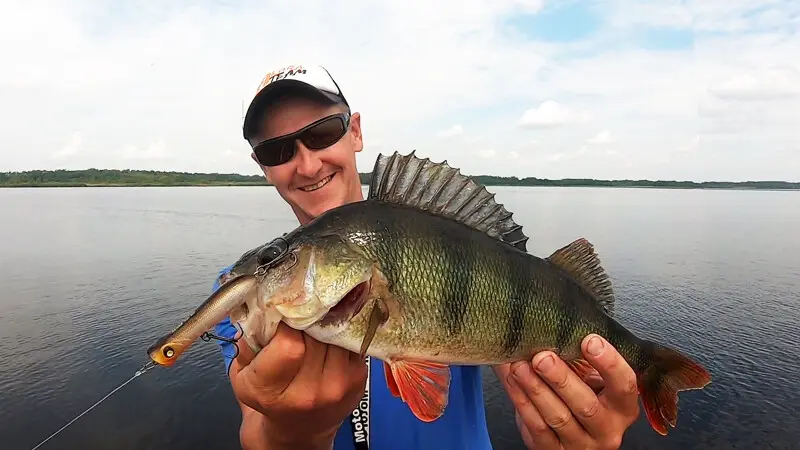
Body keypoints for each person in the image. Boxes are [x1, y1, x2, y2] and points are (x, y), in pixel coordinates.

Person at [209, 64, 641, 450]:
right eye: (277, 151)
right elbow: (254, 425)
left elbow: (515, 352)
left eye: (322, 133)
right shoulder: (241, 287)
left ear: (355, 131)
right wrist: (293, 436)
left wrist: (562, 423)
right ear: (261, 166)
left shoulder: (433, 234)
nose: (306, 165)